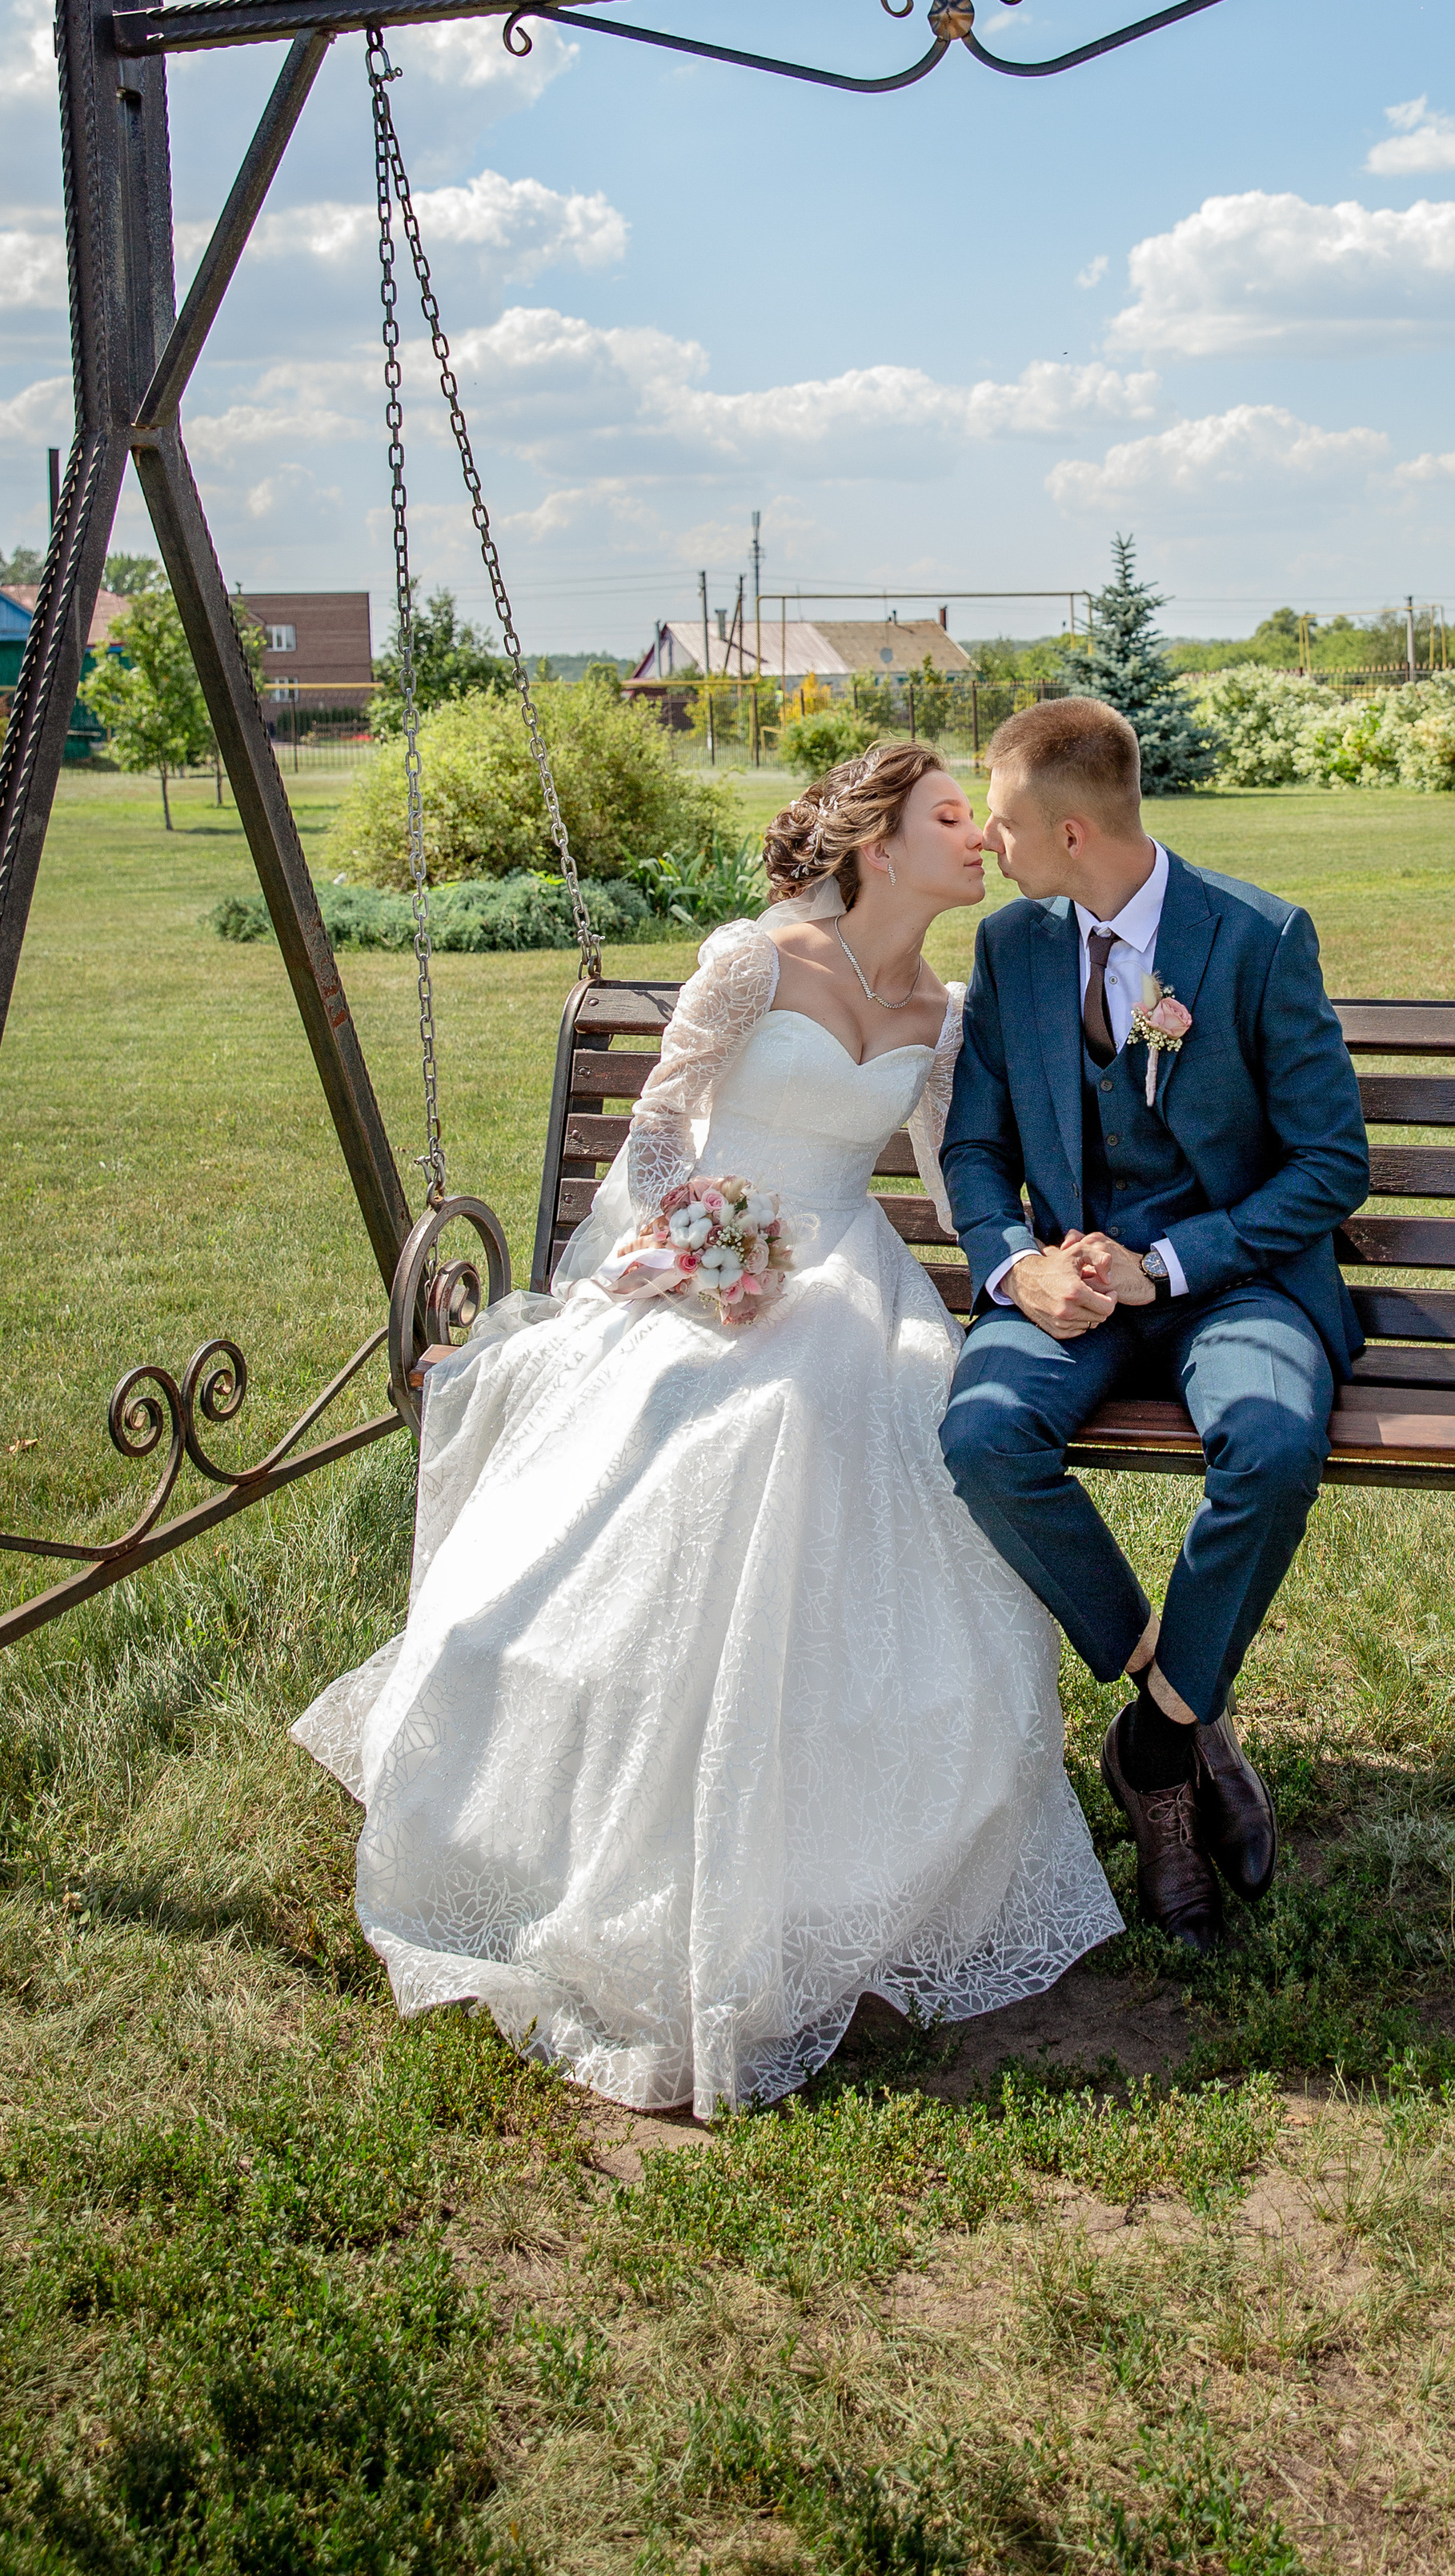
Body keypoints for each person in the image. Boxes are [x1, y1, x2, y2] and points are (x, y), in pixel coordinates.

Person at [292, 740, 1120, 2117]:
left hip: (855, 1280)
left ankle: (850, 1870)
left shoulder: (942, 1002)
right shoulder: (756, 957)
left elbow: (946, 1170)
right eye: (949, 816)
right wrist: (708, 1251)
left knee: (846, 1430)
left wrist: (1035, 1262)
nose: (979, 836)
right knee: (704, 1434)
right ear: (877, 843)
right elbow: (663, 1130)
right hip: (709, 1265)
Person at [938, 696, 1370, 1955]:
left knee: (1274, 1442)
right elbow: (972, 1145)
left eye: (1006, 823)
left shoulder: (1256, 938)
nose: (990, 848)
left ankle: (1154, 1744)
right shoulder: (1017, 948)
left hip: (1233, 1282)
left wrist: (1172, 1262)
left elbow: (1330, 1163)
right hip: (1067, 1285)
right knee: (983, 1436)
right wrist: (1017, 1267)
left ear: (1073, 831)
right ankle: (1185, 1713)